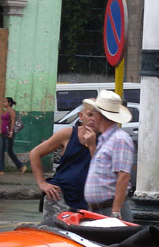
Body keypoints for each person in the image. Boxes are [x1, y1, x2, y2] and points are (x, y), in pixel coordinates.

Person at [29, 103, 98, 225]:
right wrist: (42, 183)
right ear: (81, 116)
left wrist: (92, 145)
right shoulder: (68, 134)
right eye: (90, 115)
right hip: (60, 195)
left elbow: (101, 169)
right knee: (52, 235)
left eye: (97, 115)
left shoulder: (104, 138)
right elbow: (35, 153)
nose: (93, 119)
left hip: (88, 199)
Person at [83, 90, 135, 220]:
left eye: (94, 113)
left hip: (109, 209)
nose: (92, 117)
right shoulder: (105, 139)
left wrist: (116, 211)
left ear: (99, 116)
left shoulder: (119, 139)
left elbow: (123, 176)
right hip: (100, 209)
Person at [0, 96, 25, 174]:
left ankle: (21, 166)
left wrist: (11, 132)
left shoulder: (11, 111)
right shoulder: (5, 111)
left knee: (9, 151)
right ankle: (1, 170)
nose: (4, 103)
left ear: (9, 103)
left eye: (5, 102)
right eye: (3, 101)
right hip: (3, 133)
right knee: (1, 151)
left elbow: (12, 121)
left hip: (9, 133)